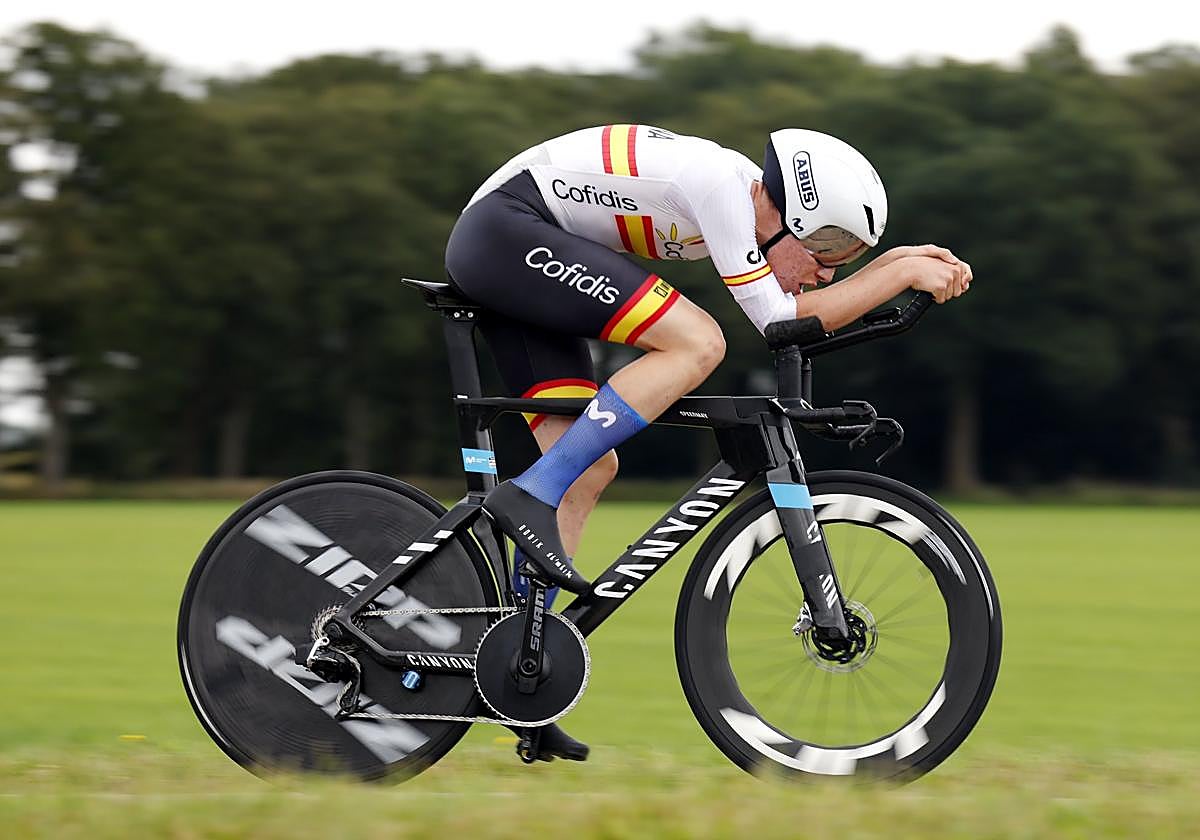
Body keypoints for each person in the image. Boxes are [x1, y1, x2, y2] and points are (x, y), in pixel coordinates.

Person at [444, 124, 971, 760]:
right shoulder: (726, 187)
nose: (825, 272)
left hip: (522, 249)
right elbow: (781, 323)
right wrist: (897, 273)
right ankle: (533, 492)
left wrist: (899, 263)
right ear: (791, 212)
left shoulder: (743, 197)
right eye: (826, 251)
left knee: (587, 469)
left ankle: (518, 677)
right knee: (699, 341)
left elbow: (801, 304)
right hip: (506, 231)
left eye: (845, 258)